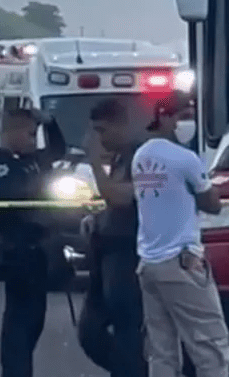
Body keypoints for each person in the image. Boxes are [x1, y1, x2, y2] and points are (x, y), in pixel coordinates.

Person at [131, 93, 229, 377]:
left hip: (149, 263)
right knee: (211, 347)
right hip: (181, 262)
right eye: (182, 116)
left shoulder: (142, 156)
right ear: (163, 118)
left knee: (162, 352)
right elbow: (212, 204)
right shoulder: (185, 159)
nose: (187, 123)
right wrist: (214, 188)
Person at [0, 108, 66, 377]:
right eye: (28, 134)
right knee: (19, 325)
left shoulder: (30, 160)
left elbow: (57, 150)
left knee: (34, 320)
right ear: (11, 133)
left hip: (38, 251)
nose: (31, 140)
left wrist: (50, 122)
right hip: (18, 250)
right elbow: (9, 197)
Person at [79, 98, 148, 376]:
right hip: (106, 252)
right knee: (91, 332)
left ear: (122, 125)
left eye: (103, 131)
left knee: (126, 331)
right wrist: (96, 220)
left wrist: (95, 164)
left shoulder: (144, 157)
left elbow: (123, 197)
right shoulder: (121, 157)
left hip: (128, 253)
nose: (99, 139)